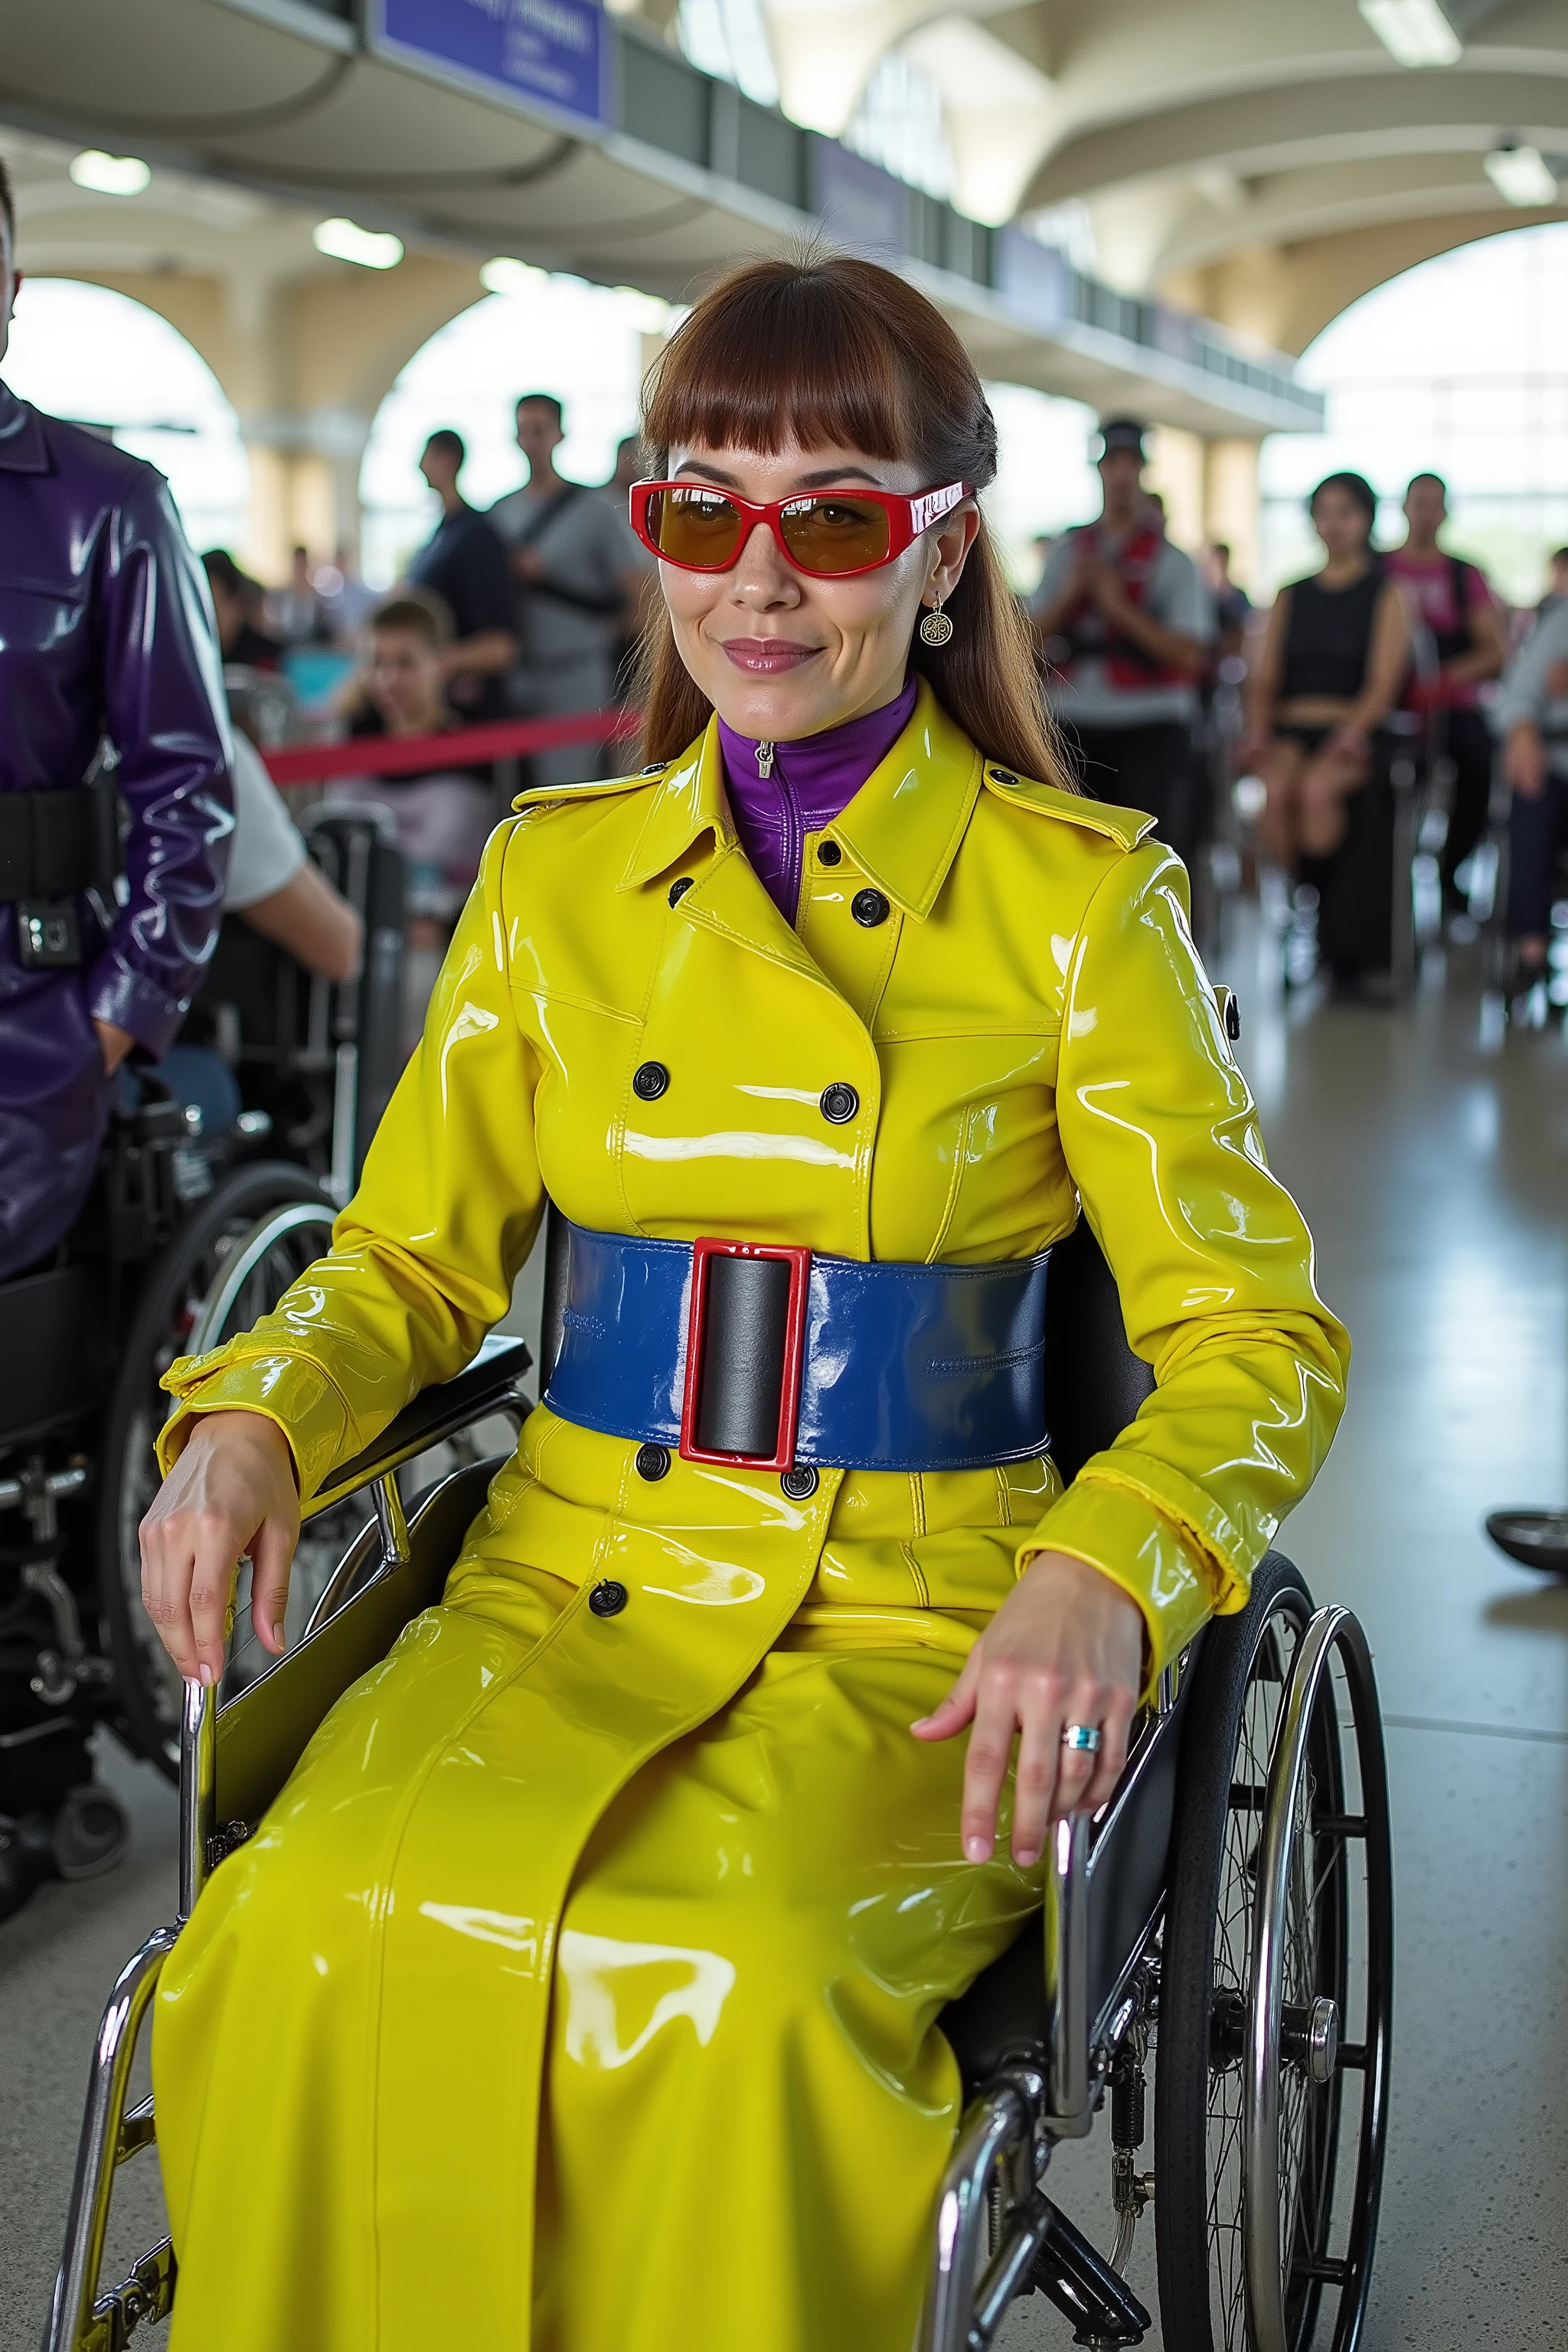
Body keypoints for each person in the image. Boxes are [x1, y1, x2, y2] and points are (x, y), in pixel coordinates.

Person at [138, 254, 1347, 2352]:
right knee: (292, 1928)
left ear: (943, 549)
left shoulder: (1085, 907)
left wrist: (1108, 1571)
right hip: (559, 1574)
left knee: (741, 1989)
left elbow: (1257, 1338)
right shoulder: (552, 879)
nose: (759, 581)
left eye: (839, 516)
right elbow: (414, 1260)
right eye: (702, 511)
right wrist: (251, 1417)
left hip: (915, 1626)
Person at [0, 155, 232, 1280]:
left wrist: (114, 1020)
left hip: (28, 1013)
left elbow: (187, 789)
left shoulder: (110, 504)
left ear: (11, 283)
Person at [1029, 418, 1214, 838]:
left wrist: (1118, 607)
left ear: (1144, 471)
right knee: (1069, 844)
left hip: (1152, 718)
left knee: (1148, 846)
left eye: (1131, 463)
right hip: (1070, 718)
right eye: (1112, 463)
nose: (1121, 475)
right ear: (1100, 469)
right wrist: (1071, 595)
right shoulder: (1067, 555)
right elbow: (1025, 642)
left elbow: (1190, 656)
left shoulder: (1174, 562)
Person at [331, 592, 497, 1041]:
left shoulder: (480, 752)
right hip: (352, 932)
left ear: (440, 662)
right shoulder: (349, 743)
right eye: (376, 663)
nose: (388, 679)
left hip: (442, 944)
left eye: (405, 662)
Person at [1240, 472, 1411, 876]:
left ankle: (1329, 896)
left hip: (1355, 730)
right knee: (1276, 792)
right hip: (1291, 727)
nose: (1334, 525)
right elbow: (1264, 678)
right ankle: (1300, 895)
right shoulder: (1291, 594)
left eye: (1345, 513)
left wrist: (1352, 732)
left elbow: (1383, 682)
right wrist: (1258, 731)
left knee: (1316, 792)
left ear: (1366, 519)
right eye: (1324, 514)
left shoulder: (1387, 594)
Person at [490, 392, 653, 785]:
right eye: (524, 431)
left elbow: (638, 593)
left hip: (577, 671)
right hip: (517, 672)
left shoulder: (594, 510)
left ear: (559, 434)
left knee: (568, 786)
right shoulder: (500, 513)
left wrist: (607, 646)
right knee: (513, 791)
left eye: (540, 429)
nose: (532, 440)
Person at [1383, 472, 1506, 917]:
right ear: (1404, 507)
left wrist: (1445, 679)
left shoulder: (1462, 574)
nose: (1427, 513)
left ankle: (1452, 869)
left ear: (1446, 512)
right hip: (1390, 707)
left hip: (1451, 706)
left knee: (1478, 764)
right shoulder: (1380, 569)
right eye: (1419, 503)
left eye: (1436, 504)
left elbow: (1494, 651)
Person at [408, 428, 518, 721]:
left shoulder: (475, 537)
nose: (420, 466)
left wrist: (438, 664)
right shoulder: (442, 535)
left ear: (448, 461)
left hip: (468, 709)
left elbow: (500, 645)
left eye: (427, 456)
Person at [1494, 597, 1568, 995]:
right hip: (1556, 762)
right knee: (1530, 799)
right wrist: (1522, 730)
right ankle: (1530, 953)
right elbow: (1519, 691)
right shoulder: (1561, 620)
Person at [201, 548, 283, 671]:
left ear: (237, 604)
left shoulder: (268, 661)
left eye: (216, 609)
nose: (207, 619)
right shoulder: (194, 657)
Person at [268, 543, 328, 648]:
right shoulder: (280, 594)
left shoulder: (317, 597)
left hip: (310, 647)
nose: (300, 568)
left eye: (302, 564)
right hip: (286, 646)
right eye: (298, 564)